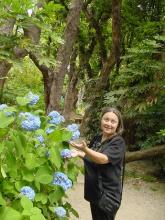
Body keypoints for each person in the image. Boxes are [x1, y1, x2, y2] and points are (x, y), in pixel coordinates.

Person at [70, 107, 126, 220]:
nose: (109, 123)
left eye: (113, 121)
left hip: (107, 195)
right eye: (106, 119)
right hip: (95, 192)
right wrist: (79, 153)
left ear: (118, 125)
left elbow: (103, 159)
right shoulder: (97, 138)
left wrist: (85, 150)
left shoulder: (118, 142)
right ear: (101, 120)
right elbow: (92, 157)